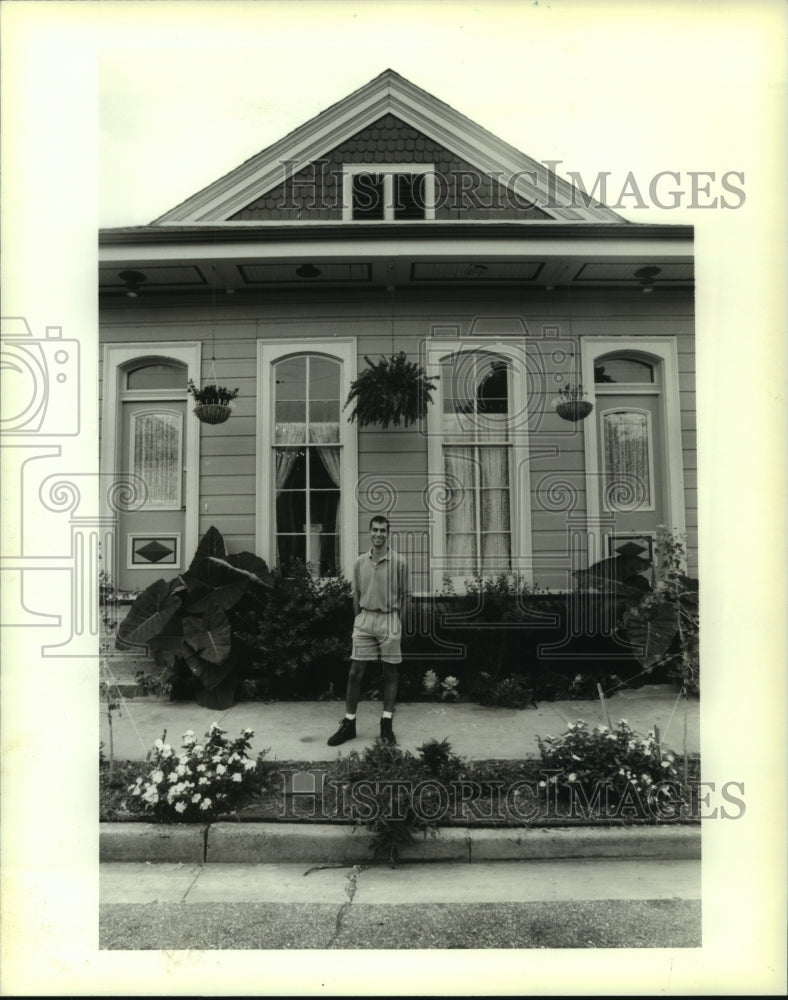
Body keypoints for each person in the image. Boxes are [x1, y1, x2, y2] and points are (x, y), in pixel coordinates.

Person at [327, 515, 409, 747]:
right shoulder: (360, 562)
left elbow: (406, 596)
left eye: (383, 530)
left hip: (389, 620)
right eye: (375, 530)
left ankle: (386, 724)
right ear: (370, 533)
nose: (379, 534)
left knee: (390, 674)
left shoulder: (400, 562)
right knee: (355, 672)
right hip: (365, 620)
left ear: (388, 533)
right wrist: (359, 619)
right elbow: (356, 594)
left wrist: (399, 623)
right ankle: (349, 723)